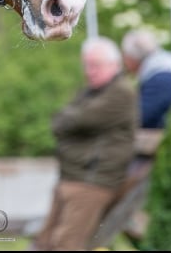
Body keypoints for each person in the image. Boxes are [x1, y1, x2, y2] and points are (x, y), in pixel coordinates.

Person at [30, 36, 138, 251]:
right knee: (43, 242)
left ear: (114, 64)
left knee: (66, 244)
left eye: (95, 65)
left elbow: (75, 120)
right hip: (73, 177)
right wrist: (69, 120)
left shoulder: (120, 93)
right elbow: (60, 121)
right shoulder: (92, 92)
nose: (89, 71)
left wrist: (70, 119)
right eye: (87, 65)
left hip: (92, 182)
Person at [121, 28, 171, 129]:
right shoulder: (162, 68)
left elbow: (143, 116)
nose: (124, 62)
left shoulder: (162, 75)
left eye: (125, 56)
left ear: (133, 57)